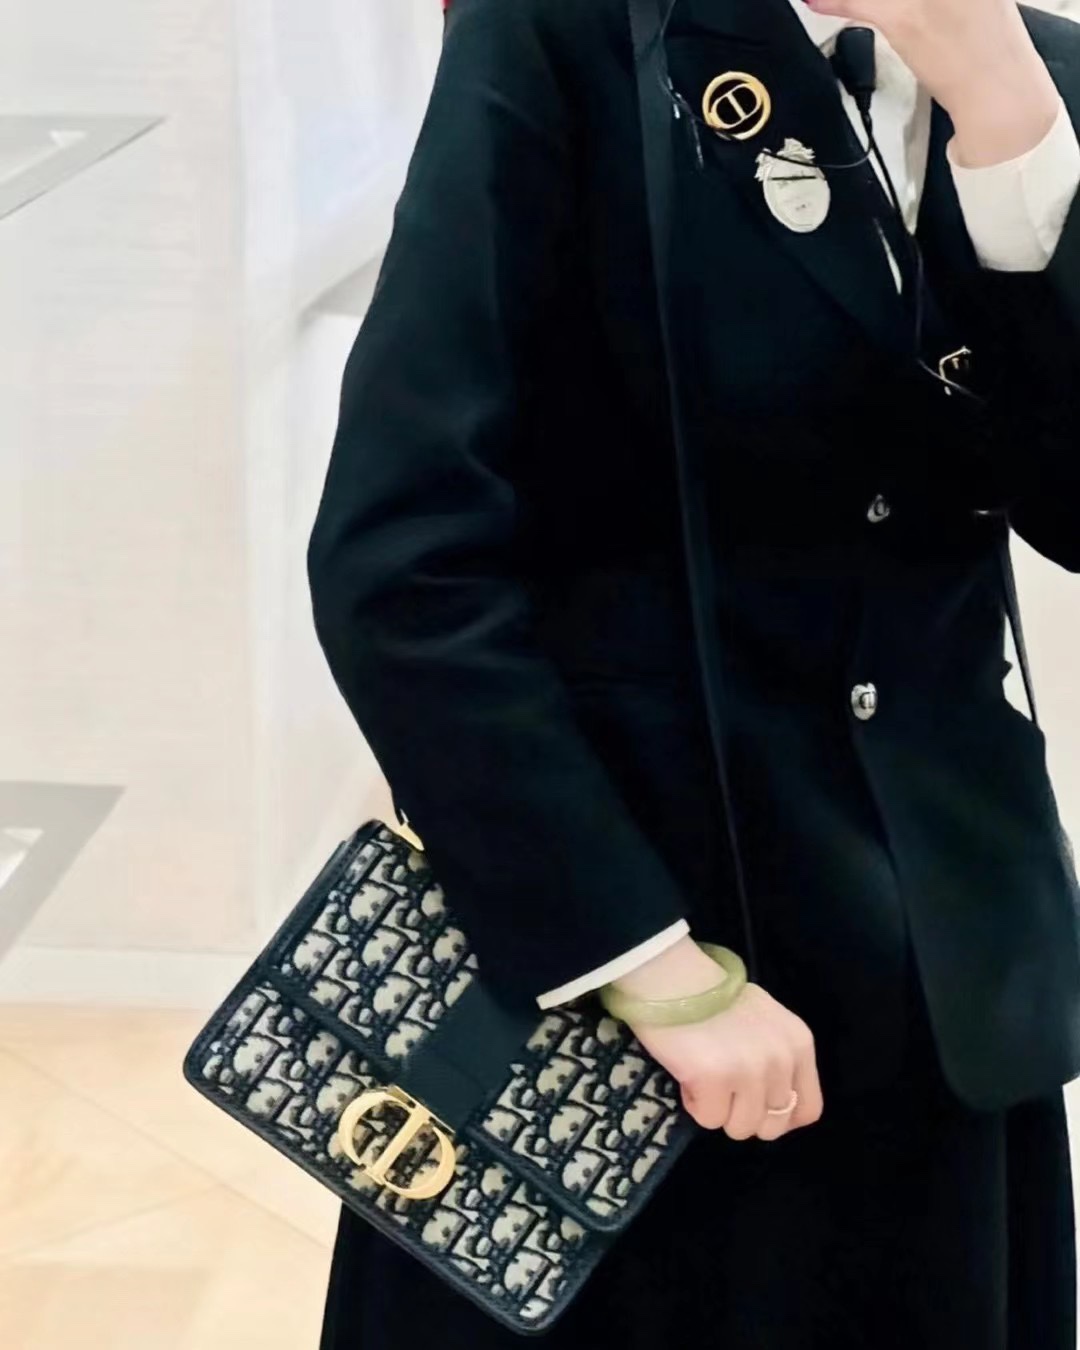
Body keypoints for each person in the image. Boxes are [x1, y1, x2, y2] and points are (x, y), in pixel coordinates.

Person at [306, 0, 1080, 1345]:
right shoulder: (565, 37)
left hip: (943, 991)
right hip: (613, 998)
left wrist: (1007, 122)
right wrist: (644, 960)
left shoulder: (1046, 79)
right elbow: (403, 556)